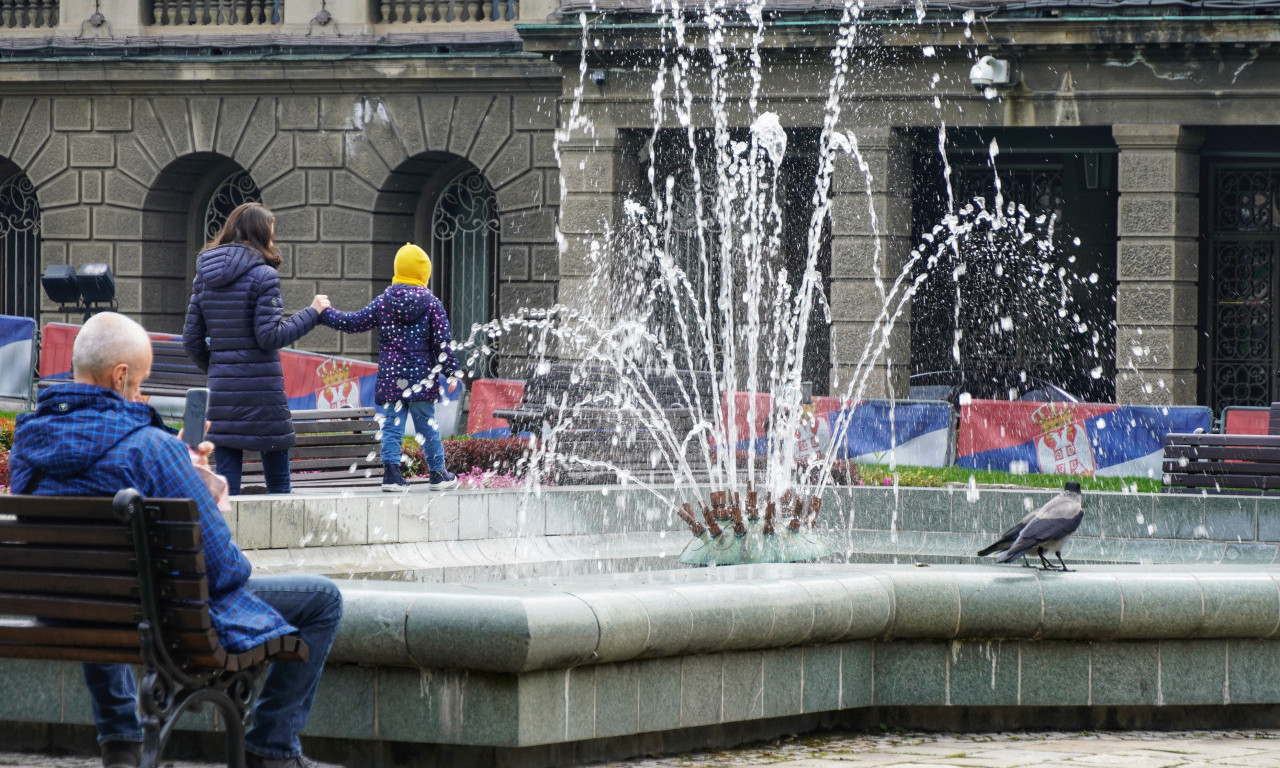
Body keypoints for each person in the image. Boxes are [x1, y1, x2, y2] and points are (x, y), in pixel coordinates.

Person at [8, 312, 343, 768]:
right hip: (166, 619)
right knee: (324, 599)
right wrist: (186, 475)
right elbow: (226, 571)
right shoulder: (152, 448)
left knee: (101, 585)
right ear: (120, 375)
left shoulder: (28, 441)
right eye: (141, 382)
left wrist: (185, 474)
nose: (142, 394)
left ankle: (122, 744)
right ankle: (271, 747)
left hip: (71, 609)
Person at [183, 202, 330, 495]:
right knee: (278, 485)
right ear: (260, 235)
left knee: (227, 488)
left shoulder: (205, 277)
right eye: (271, 235)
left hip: (223, 395)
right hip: (263, 396)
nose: (273, 242)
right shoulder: (264, 276)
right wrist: (312, 313)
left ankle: (231, 541)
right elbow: (270, 336)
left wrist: (217, 368)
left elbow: (191, 339)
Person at [318, 242, 461, 491]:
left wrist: (325, 314)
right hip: (421, 378)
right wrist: (451, 372)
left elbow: (354, 323)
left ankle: (392, 475)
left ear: (398, 271)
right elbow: (442, 343)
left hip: (392, 377)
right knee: (427, 425)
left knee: (392, 425)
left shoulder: (384, 302)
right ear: (423, 274)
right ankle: (438, 474)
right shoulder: (432, 303)